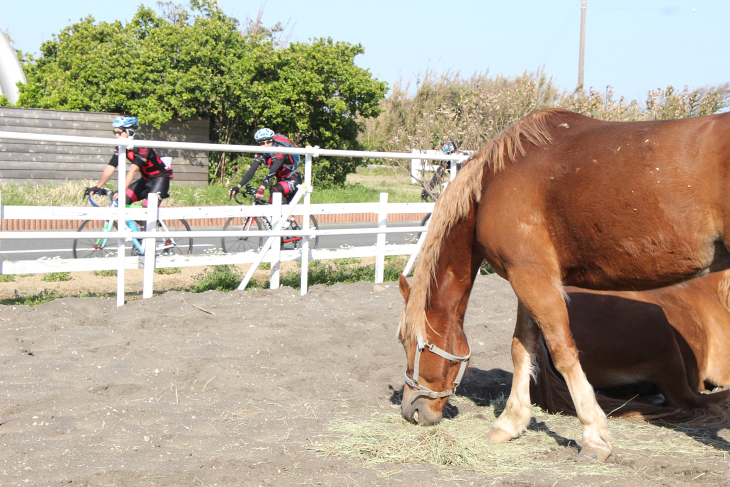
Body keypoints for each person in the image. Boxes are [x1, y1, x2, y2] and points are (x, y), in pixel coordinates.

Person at [85, 116, 173, 206]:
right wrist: (97, 187)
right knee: (119, 203)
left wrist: (121, 190)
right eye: (114, 132)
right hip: (144, 181)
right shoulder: (122, 147)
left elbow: (133, 170)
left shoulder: (143, 147)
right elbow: (111, 166)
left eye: (119, 132)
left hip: (160, 181)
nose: (116, 136)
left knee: (146, 216)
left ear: (129, 132)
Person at [228, 128, 301, 204]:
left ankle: (287, 216)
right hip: (281, 181)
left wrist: (262, 187)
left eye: (268, 142)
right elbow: (252, 170)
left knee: (274, 190)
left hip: (293, 180)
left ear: (272, 141)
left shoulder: (280, 151)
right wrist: (238, 186)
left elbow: (273, 169)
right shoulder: (261, 154)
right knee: (271, 202)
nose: (266, 145)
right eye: (262, 143)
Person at [421, 138, 461, 202]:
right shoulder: (446, 160)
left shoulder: (463, 158)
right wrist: (429, 188)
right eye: (447, 153)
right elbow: (438, 174)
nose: (449, 154)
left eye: (451, 152)